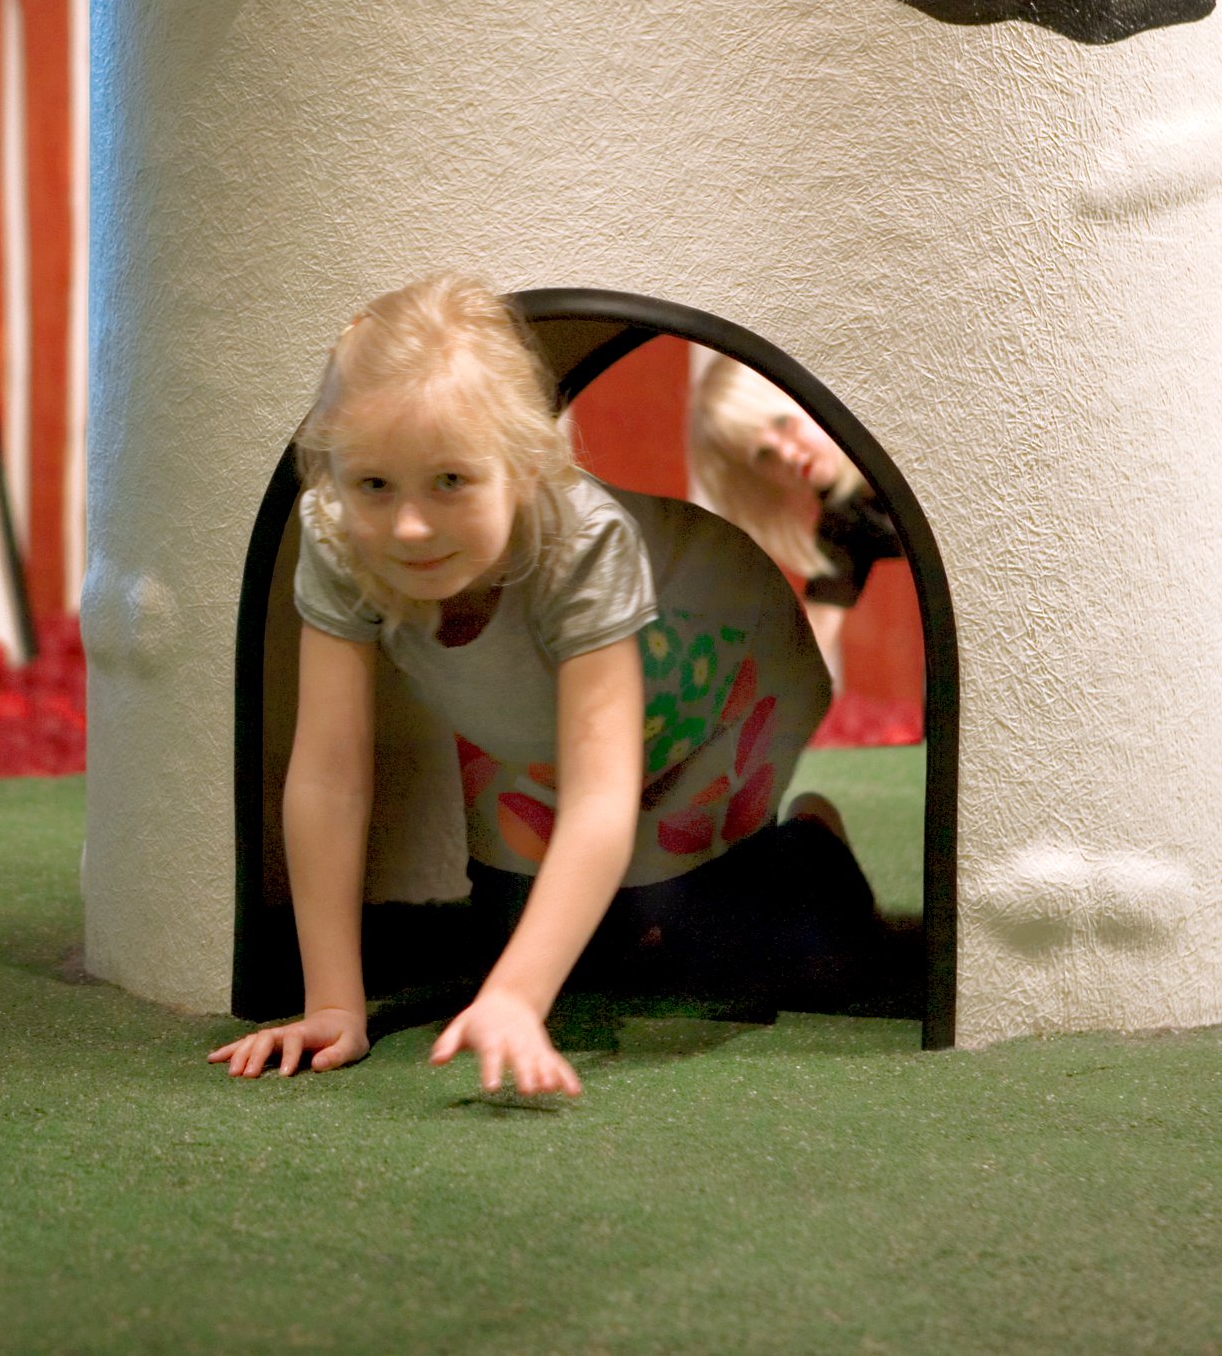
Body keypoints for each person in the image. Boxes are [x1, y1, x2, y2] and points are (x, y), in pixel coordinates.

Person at [210, 275, 883, 1097]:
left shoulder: (580, 547)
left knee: (750, 958)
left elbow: (602, 795)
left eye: (451, 481)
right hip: (543, 719)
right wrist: (334, 1006)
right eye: (375, 484)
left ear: (525, 469)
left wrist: (518, 1000)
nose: (410, 527)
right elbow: (329, 769)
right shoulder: (343, 535)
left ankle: (807, 842)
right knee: (525, 942)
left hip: (720, 681)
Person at [689, 355, 904, 686]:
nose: (788, 455)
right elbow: (816, 635)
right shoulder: (846, 518)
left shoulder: (905, 438)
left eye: (783, 424)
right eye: (765, 455)